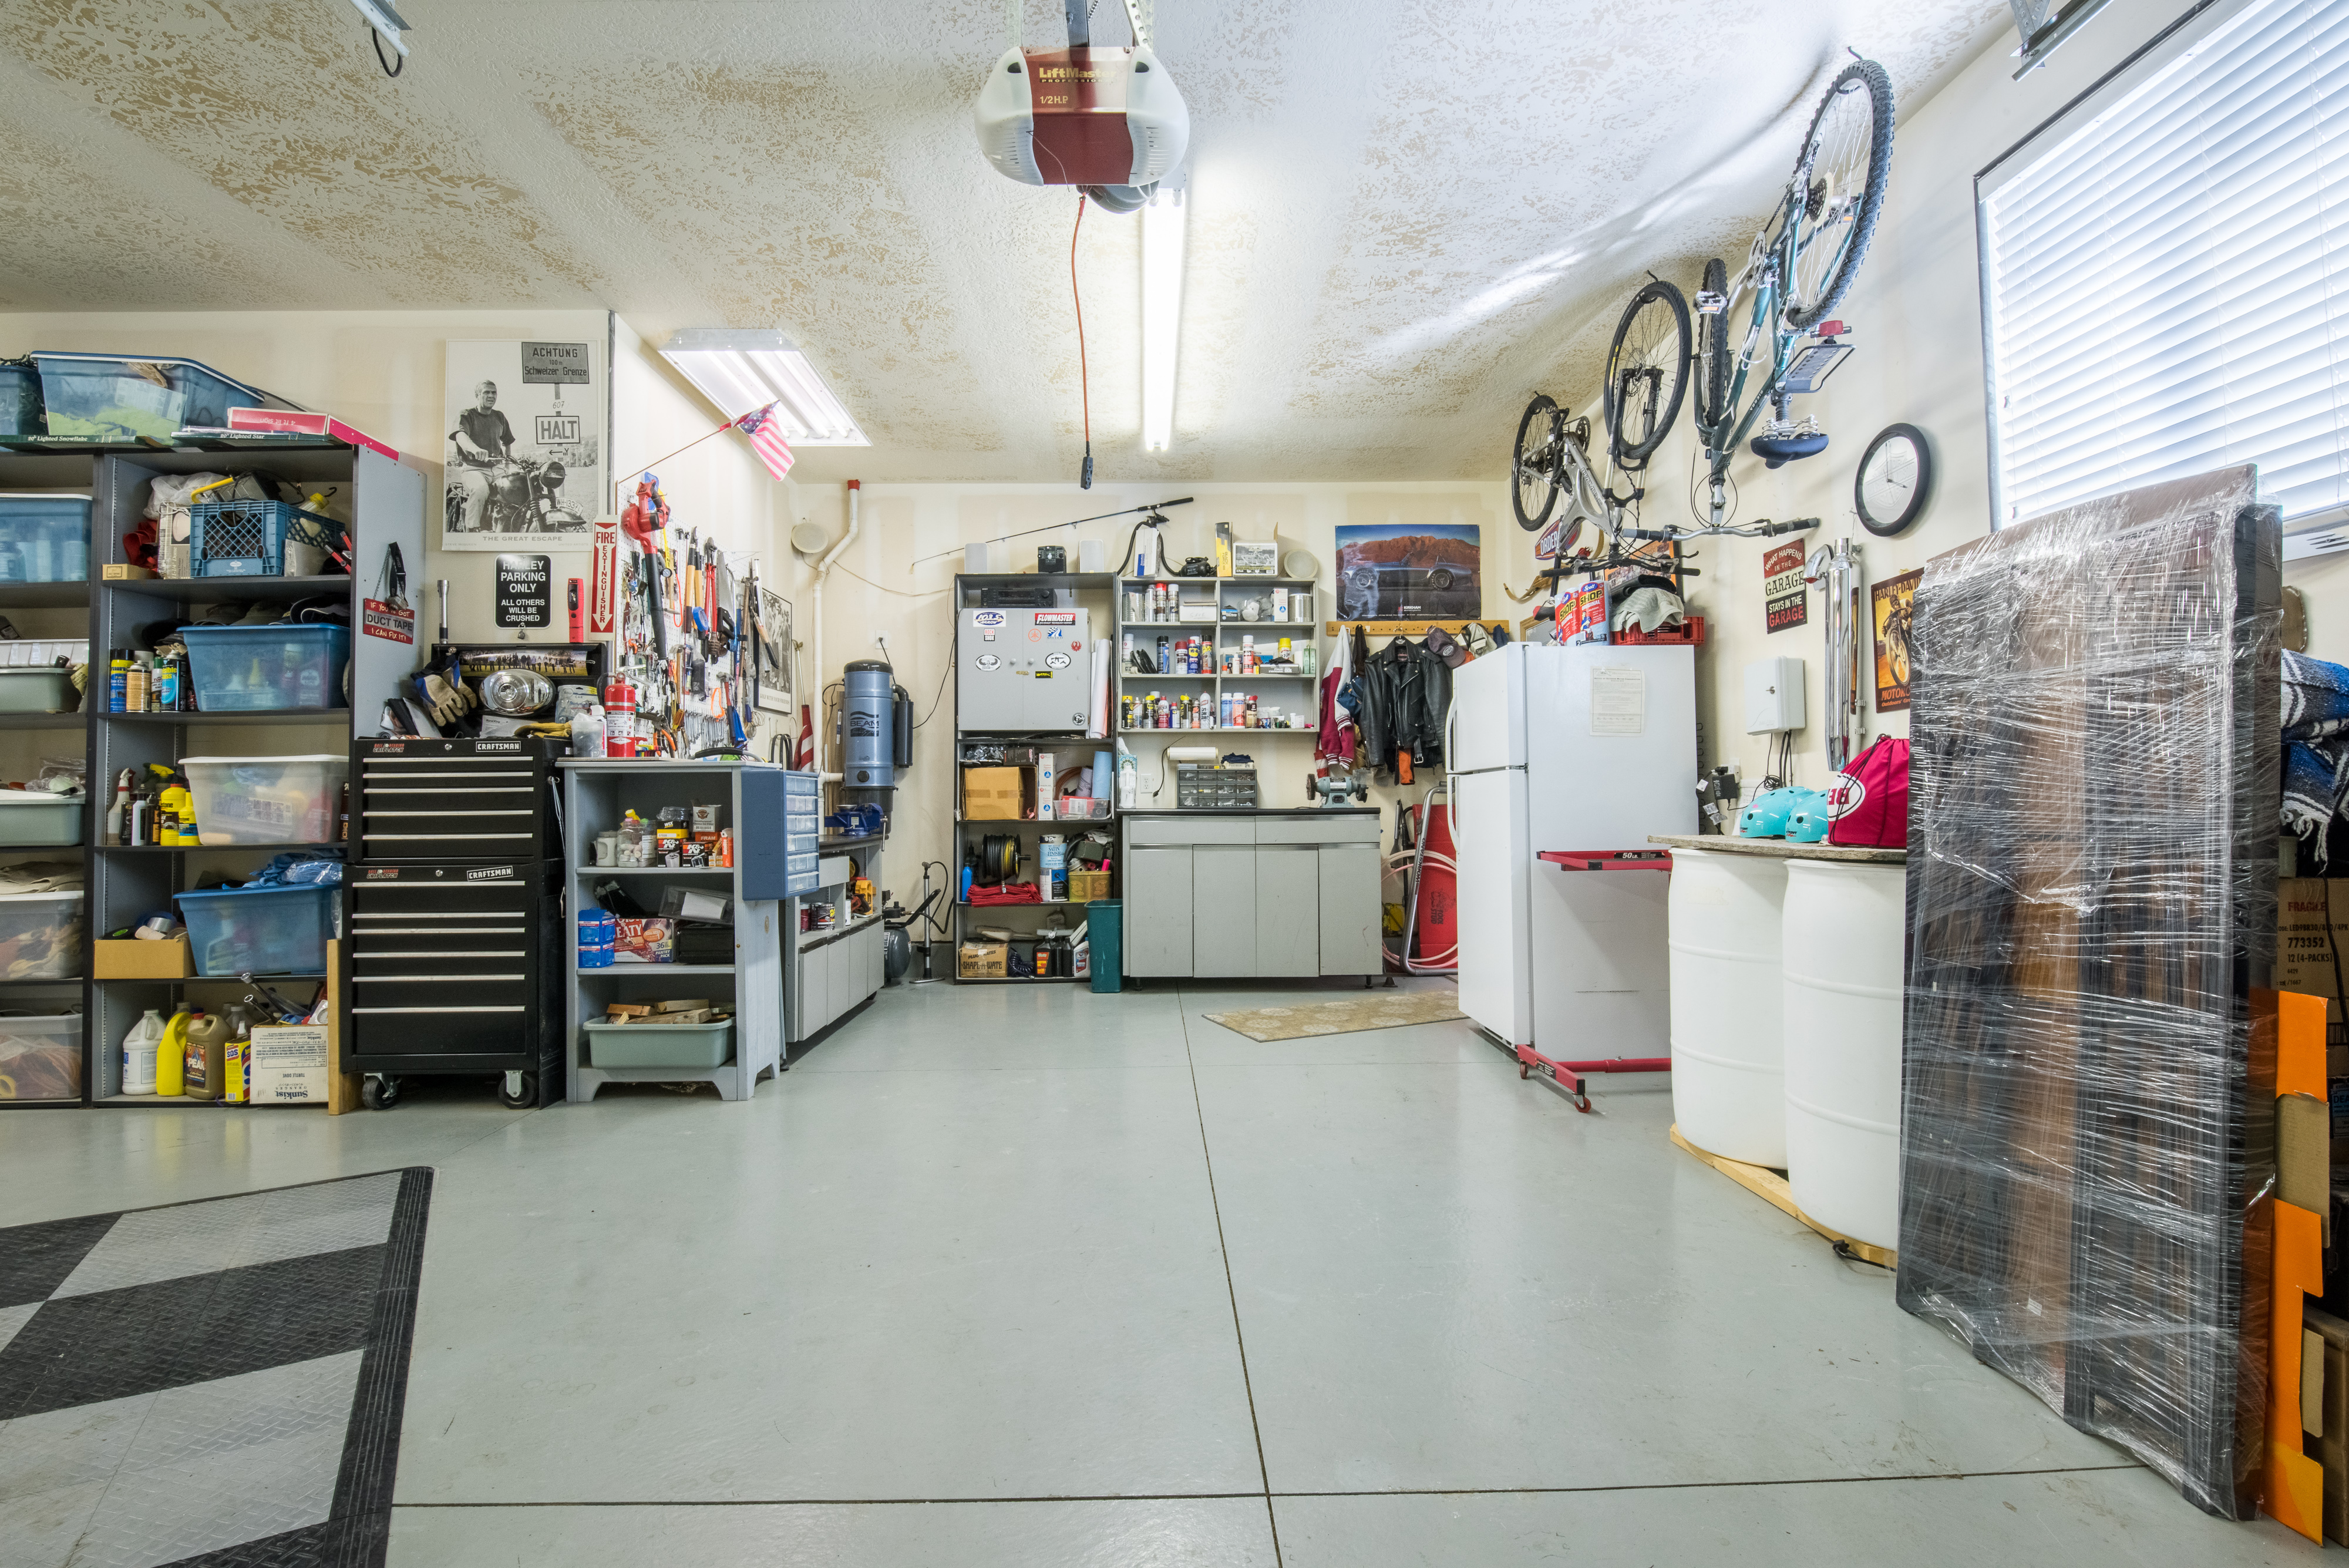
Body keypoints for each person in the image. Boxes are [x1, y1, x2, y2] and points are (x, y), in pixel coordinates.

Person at [449, 381, 516, 532]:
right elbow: (460, 436)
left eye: (494, 392)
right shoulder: (467, 415)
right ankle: (473, 529)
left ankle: (509, 527)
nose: (491, 396)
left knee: (516, 489)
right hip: (473, 469)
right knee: (480, 489)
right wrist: (475, 449)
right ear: (477, 395)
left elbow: (508, 442)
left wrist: (507, 467)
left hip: (497, 469)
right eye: (487, 392)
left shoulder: (499, 416)